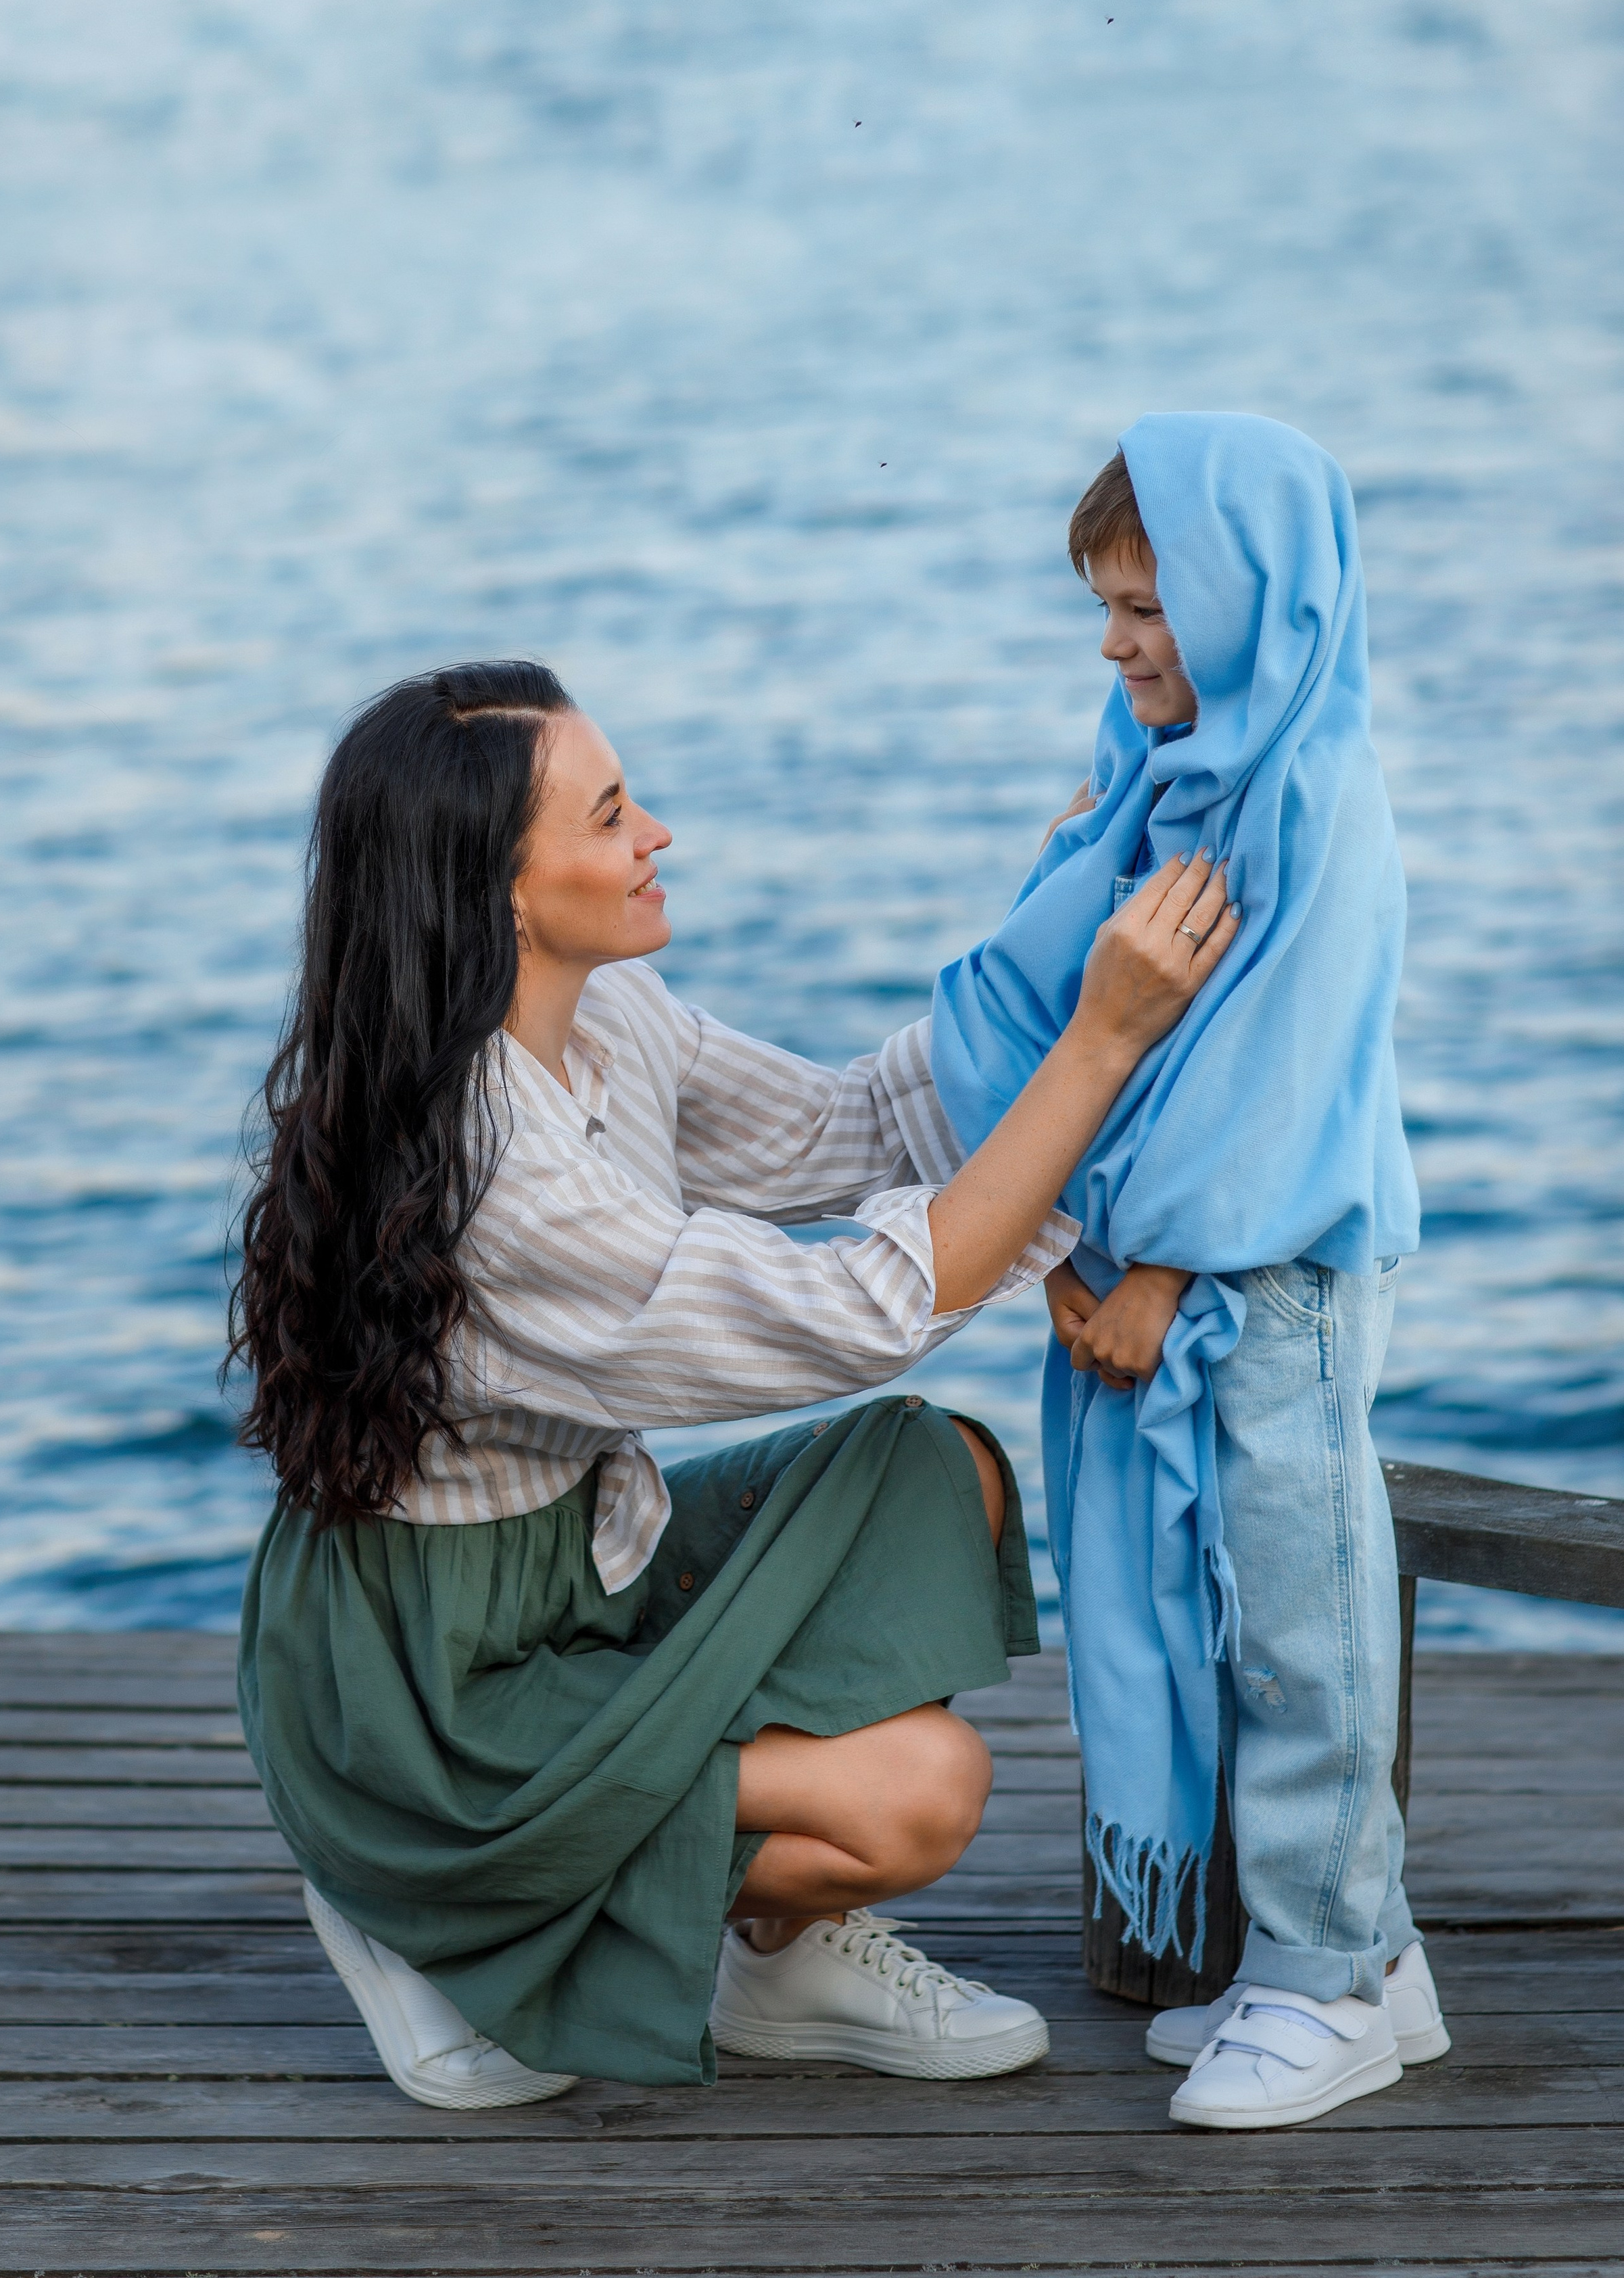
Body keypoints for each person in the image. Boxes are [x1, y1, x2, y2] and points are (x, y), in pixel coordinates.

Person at [230, 660, 1236, 2108]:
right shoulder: (492, 1171)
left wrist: (1054, 922)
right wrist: (1104, 1035)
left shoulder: (606, 1016)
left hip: (584, 1554)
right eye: (609, 815)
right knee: (924, 1789)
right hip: (426, 1688)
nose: (657, 835)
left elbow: (856, 1123)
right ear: (500, 892)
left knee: (935, 1480)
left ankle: (779, 1956)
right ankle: (426, 1898)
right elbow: (858, 1307)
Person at [932, 412, 1448, 2133]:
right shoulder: (1163, 767)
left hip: (1272, 1267)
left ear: (1250, 601)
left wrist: (1150, 1264)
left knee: (1302, 1617)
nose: (1112, 642)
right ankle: (1367, 1950)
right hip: (1164, 1260)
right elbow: (1066, 983)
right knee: (1231, 1619)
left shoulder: (1311, 794)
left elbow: (1273, 1064)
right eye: (1102, 605)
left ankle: (1324, 1976)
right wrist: (1056, 1237)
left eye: (1146, 607)